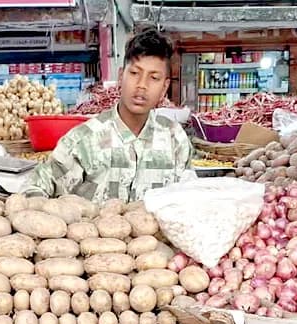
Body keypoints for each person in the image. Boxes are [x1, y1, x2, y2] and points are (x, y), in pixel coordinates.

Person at [24, 29, 193, 204]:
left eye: (154, 78)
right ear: (121, 77)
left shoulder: (175, 140)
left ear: (165, 87)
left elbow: (190, 199)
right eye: (135, 73)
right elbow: (34, 188)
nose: (142, 85)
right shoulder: (83, 140)